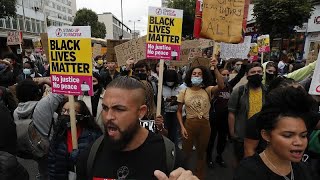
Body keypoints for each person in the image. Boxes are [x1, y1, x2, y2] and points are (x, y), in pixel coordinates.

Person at [76, 77, 198, 180]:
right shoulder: (91, 155)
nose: (108, 117)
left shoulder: (169, 156)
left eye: (119, 109)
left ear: (141, 112)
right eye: (105, 108)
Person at [234, 87, 316, 180]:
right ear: (266, 135)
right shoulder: (248, 173)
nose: (299, 142)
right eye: (288, 135)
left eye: (303, 135)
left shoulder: (305, 169)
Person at [176, 64, 224, 179]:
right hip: (189, 124)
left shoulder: (208, 90)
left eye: (199, 74)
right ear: (190, 76)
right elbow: (178, 112)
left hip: (205, 126)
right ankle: (183, 176)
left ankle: (199, 176)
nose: (196, 76)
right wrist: (182, 127)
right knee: (185, 153)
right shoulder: (185, 91)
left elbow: (221, 86)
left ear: (204, 77)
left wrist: (216, 68)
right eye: (194, 74)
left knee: (201, 154)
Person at [14, 79, 64, 180]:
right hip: (48, 147)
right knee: (52, 171)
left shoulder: (16, 111)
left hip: (32, 147)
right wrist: (46, 81)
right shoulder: (43, 105)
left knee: (43, 168)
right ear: (37, 92)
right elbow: (62, 90)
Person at [206, 60, 247, 168]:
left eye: (227, 75)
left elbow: (240, 75)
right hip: (214, 117)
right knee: (211, 139)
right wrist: (214, 68)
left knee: (222, 140)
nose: (226, 76)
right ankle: (208, 158)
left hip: (225, 118)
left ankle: (219, 157)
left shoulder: (230, 85)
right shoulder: (213, 86)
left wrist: (245, 63)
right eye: (223, 75)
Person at [48, 99, 102, 180]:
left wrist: (79, 158)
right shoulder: (58, 135)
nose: (65, 114)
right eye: (64, 111)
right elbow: (53, 164)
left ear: (82, 115)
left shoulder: (93, 136)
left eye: (70, 111)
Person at [228, 62, 266, 166]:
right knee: (241, 162)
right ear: (247, 75)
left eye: (259, 72)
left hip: (262, 135)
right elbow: (232, 113)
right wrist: (233, 133)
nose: (256, 74)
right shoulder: (239, 91)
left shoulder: (267, 91)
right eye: (253, 72)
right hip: (242, 133)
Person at [162, 69, 182, 144]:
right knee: (165, 130)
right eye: (168, 80)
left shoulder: (179, 87)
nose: (170, 82)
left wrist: (176, 99)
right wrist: (165, 99)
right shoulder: (161, 87)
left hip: (176, 112)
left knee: (175, 131)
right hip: (165, 112)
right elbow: (158, 98)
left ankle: (175, 147)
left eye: (171, 80)